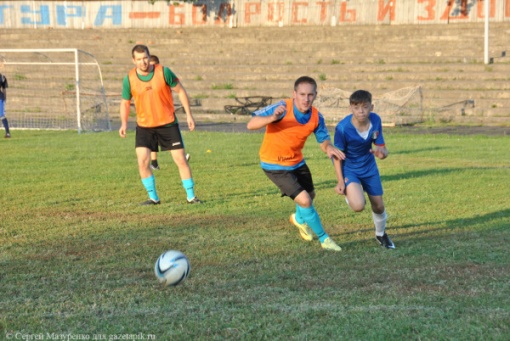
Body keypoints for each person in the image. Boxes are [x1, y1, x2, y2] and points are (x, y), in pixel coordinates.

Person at [247, 76, 345, 251]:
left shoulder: (316, 116)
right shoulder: (282, 107)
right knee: (305, 201)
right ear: (294, 94)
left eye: (310, 95)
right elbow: (251, 124)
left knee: (311, 195)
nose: (306, 99)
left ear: (315, 95)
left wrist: (329, 147)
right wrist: (272, 118)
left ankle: (299, 220)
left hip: (296, 161)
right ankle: (324, 239)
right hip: (274, 164)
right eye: (302, 94)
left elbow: (323, 140)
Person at [119, 45, 201, 205]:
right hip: (144, 127)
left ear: (149, 57)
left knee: (180, 160)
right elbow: (125, 102)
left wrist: (189, 115)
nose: (143, 62)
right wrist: (123, 123)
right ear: (133, 60)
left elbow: (181, 91)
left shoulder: (164, 72)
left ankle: (191, 196)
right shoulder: (129, 79)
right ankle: (153, 198)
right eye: (139, 59)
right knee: (142, 161)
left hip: (167, 124)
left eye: (145, 58)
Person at [332, 90, 395, 249]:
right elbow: (337, 156)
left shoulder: (376, 120)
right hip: (350, 169)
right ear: (350, 108)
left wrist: (383, 154)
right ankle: (350, 192)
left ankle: (381, 235)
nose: (361, 111)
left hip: (369, 167)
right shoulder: (342, 128)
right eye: (356, 107)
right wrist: (340, 181)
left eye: (365, 107)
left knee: (379, 206)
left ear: (371, 107)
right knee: (358, 206)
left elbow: (381, 147)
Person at [148, 55, 190, 170]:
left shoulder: (163, 75)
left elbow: (179, 90)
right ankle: (154, 163)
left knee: (170, 139)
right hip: (150, 116)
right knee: (153, 142)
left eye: (155, 65)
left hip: (166, 116)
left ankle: (181, 157)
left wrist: (189, 115)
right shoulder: (144, 78)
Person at [0, 72, 11, 138]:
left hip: (0, 98)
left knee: (2, 115)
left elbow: (4, 89)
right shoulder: (2, 77)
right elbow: (4, 89)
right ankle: (8, 133)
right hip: (1, 98)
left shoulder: (2, 77)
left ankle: (7, 133)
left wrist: (4, 98)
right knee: (2, 115)